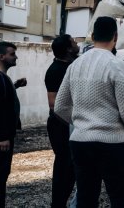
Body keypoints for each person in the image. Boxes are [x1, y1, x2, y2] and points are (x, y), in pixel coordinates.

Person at [54, 17, 124, 208]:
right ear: (115, 37)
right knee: (121, 198)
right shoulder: (117, 65)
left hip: (80, 142)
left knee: (86, 197)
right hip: (111, 143)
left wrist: (81, 123)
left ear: (92, 36)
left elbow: (60, 106)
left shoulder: (75, 65)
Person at [0, 41, 27, 207]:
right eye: (12, 54)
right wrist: (2, 137)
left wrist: (15, 85)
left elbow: (2, 98)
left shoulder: (0, 78)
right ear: (1, 57)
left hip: (1, 135)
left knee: (1, 172)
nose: (16, 57)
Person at [45, 34, 80, 208]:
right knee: (64, 166)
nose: (77, 43)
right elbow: (54, 104)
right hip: (61, 125)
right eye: (73, 42)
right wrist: (74, 123)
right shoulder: (56, 70)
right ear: (68, 48)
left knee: (73, 166)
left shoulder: (73, 65)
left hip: (71, 124)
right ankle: (57, 204)